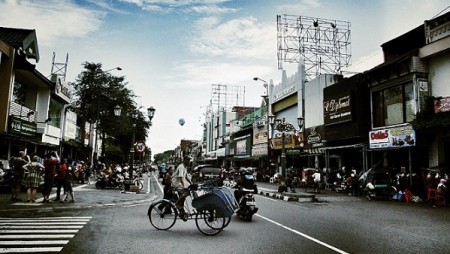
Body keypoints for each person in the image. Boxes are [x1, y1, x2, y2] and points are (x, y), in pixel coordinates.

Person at [171, 156, 192, 221]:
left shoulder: (185, 167)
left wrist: (191, 183)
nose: (189, 162)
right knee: (186, 192)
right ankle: (177, 203)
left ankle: (181, 211)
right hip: (176, 183)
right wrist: (183, 186)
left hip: (178, 183)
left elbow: (186, 177)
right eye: (188, 160)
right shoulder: (181, 167)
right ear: (184, 160)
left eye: (189, 160)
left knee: (184, 195)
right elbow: (181, 178)